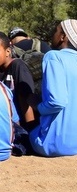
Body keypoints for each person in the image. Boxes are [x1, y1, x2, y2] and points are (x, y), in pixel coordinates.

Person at [30, 20, 77, 157]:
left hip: (56, 144)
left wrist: (38, 106)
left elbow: (57, 101)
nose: (53, 35)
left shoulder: (54, 57)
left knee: (26, 134)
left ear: (63, 37)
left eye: (56, 31)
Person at [0, 31, 37, 130]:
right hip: (7, 129)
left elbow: (26, 102)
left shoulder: (17, 66)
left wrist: (30, 131)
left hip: (22, 128)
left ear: (8, 51)